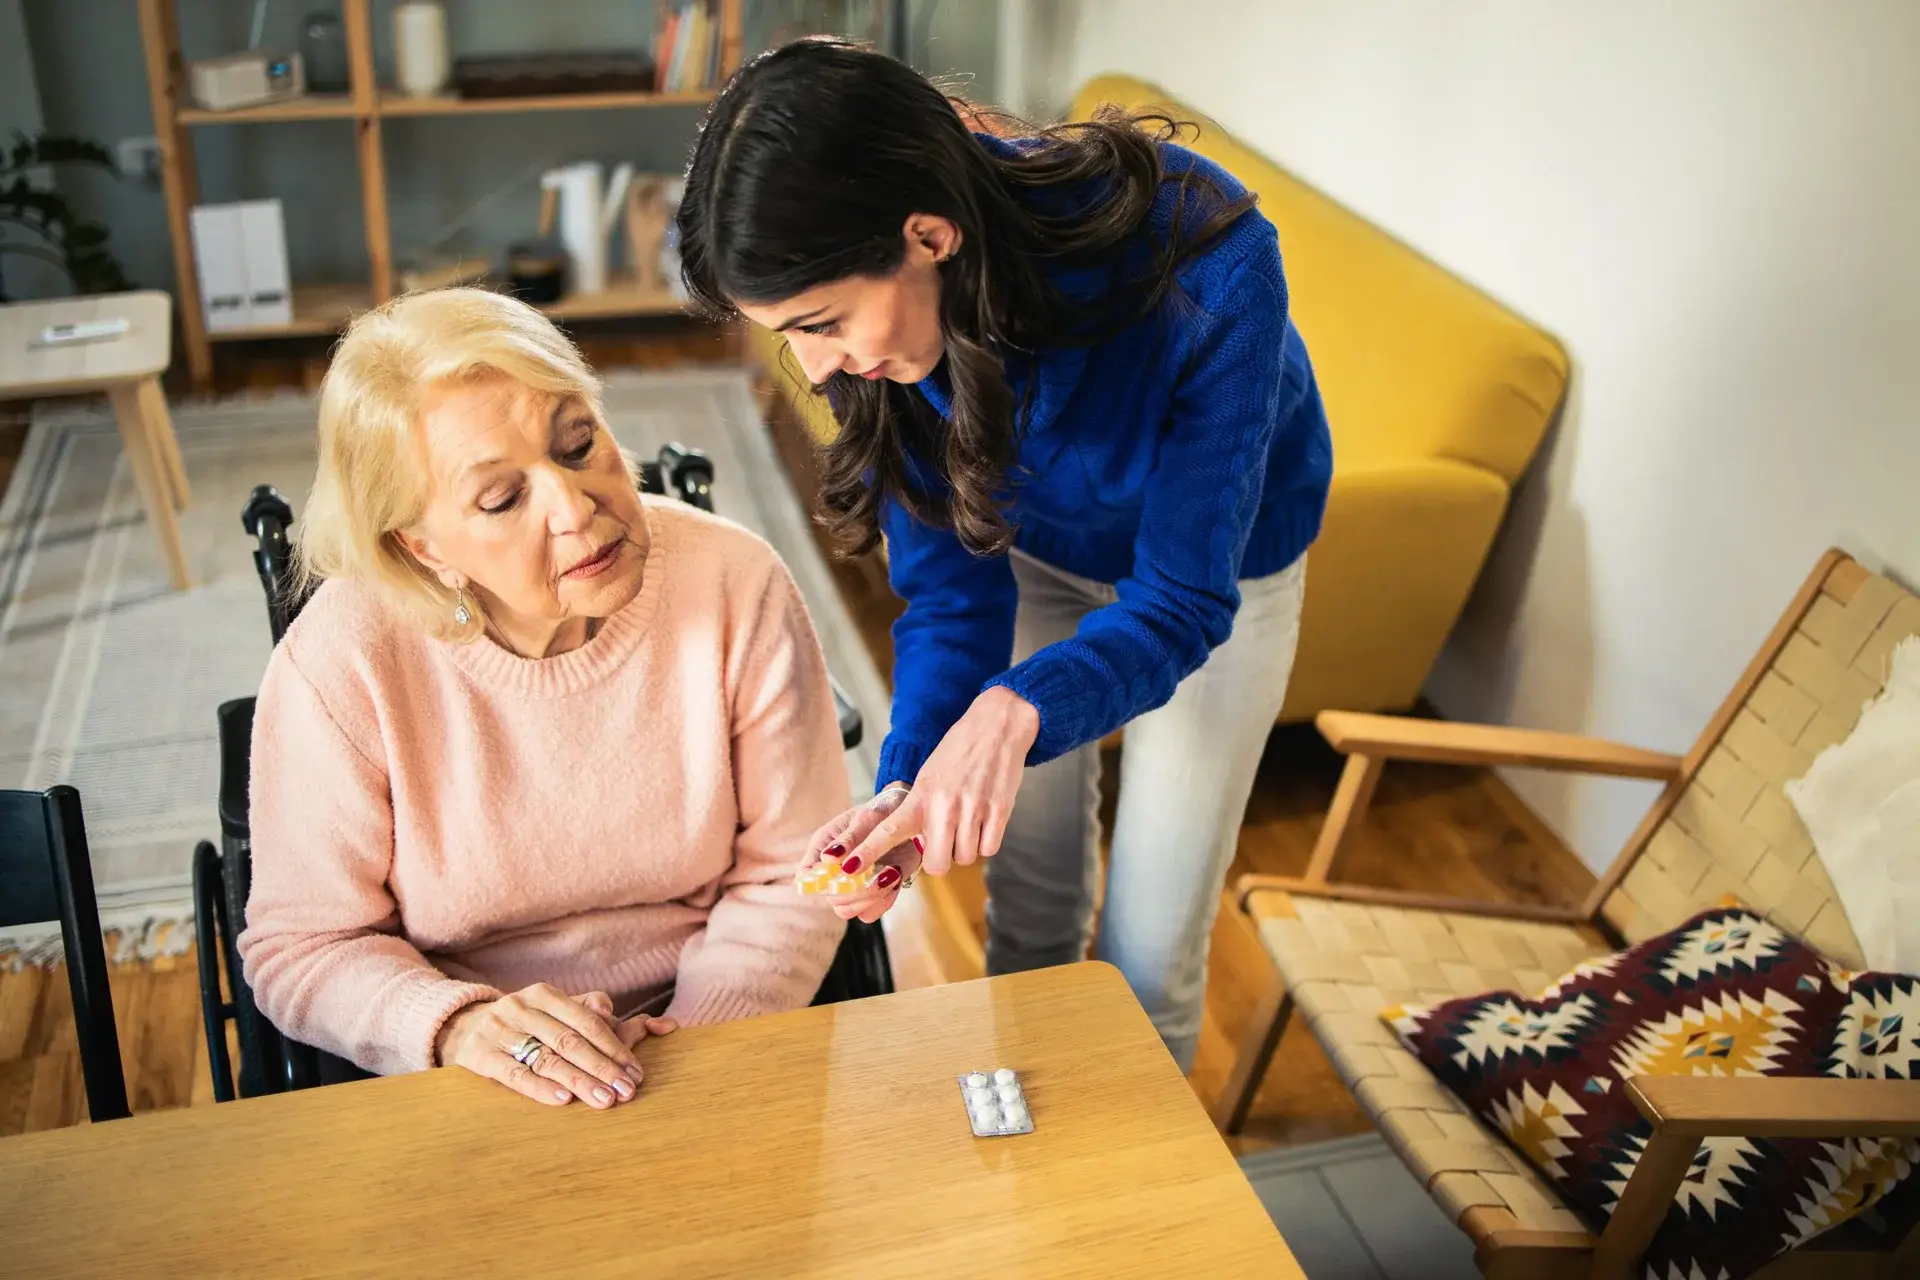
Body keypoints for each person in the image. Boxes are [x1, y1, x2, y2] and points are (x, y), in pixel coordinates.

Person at [675, 39, 1333, 1070]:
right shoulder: (875, 338)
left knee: (1150, 954)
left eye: (822, 322)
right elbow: (947, 599)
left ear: (928, 234)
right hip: (1032, 552)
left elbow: (1179, 600)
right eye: (788, 334)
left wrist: (1019, 704)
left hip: (1218, 577)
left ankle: (1132, 1211)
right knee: (1026, 910)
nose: (817, 366)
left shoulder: (1210, 260)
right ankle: (1035, 1195)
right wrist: (904, 785)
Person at [238, 288, 850, 1107]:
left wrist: (694, 1048)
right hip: (465, 1072)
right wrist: (456, 1025)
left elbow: (792, 872)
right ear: (421, 547)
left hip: (715, 1035)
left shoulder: (735, 582)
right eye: (502, 498)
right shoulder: (344, 661)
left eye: (578, 443)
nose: (576, 506)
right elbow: (305, 945)